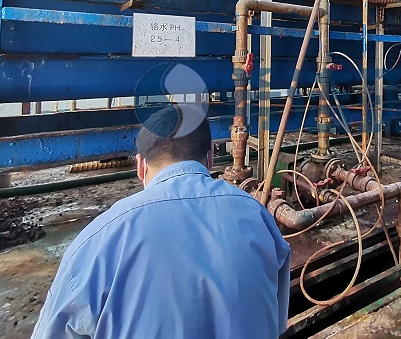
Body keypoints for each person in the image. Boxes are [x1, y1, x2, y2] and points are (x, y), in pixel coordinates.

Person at [32, 104, 291, 338]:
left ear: (140, 166)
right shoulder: (258, 217)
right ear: (211, 156)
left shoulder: (98, 240)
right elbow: (276, 320)